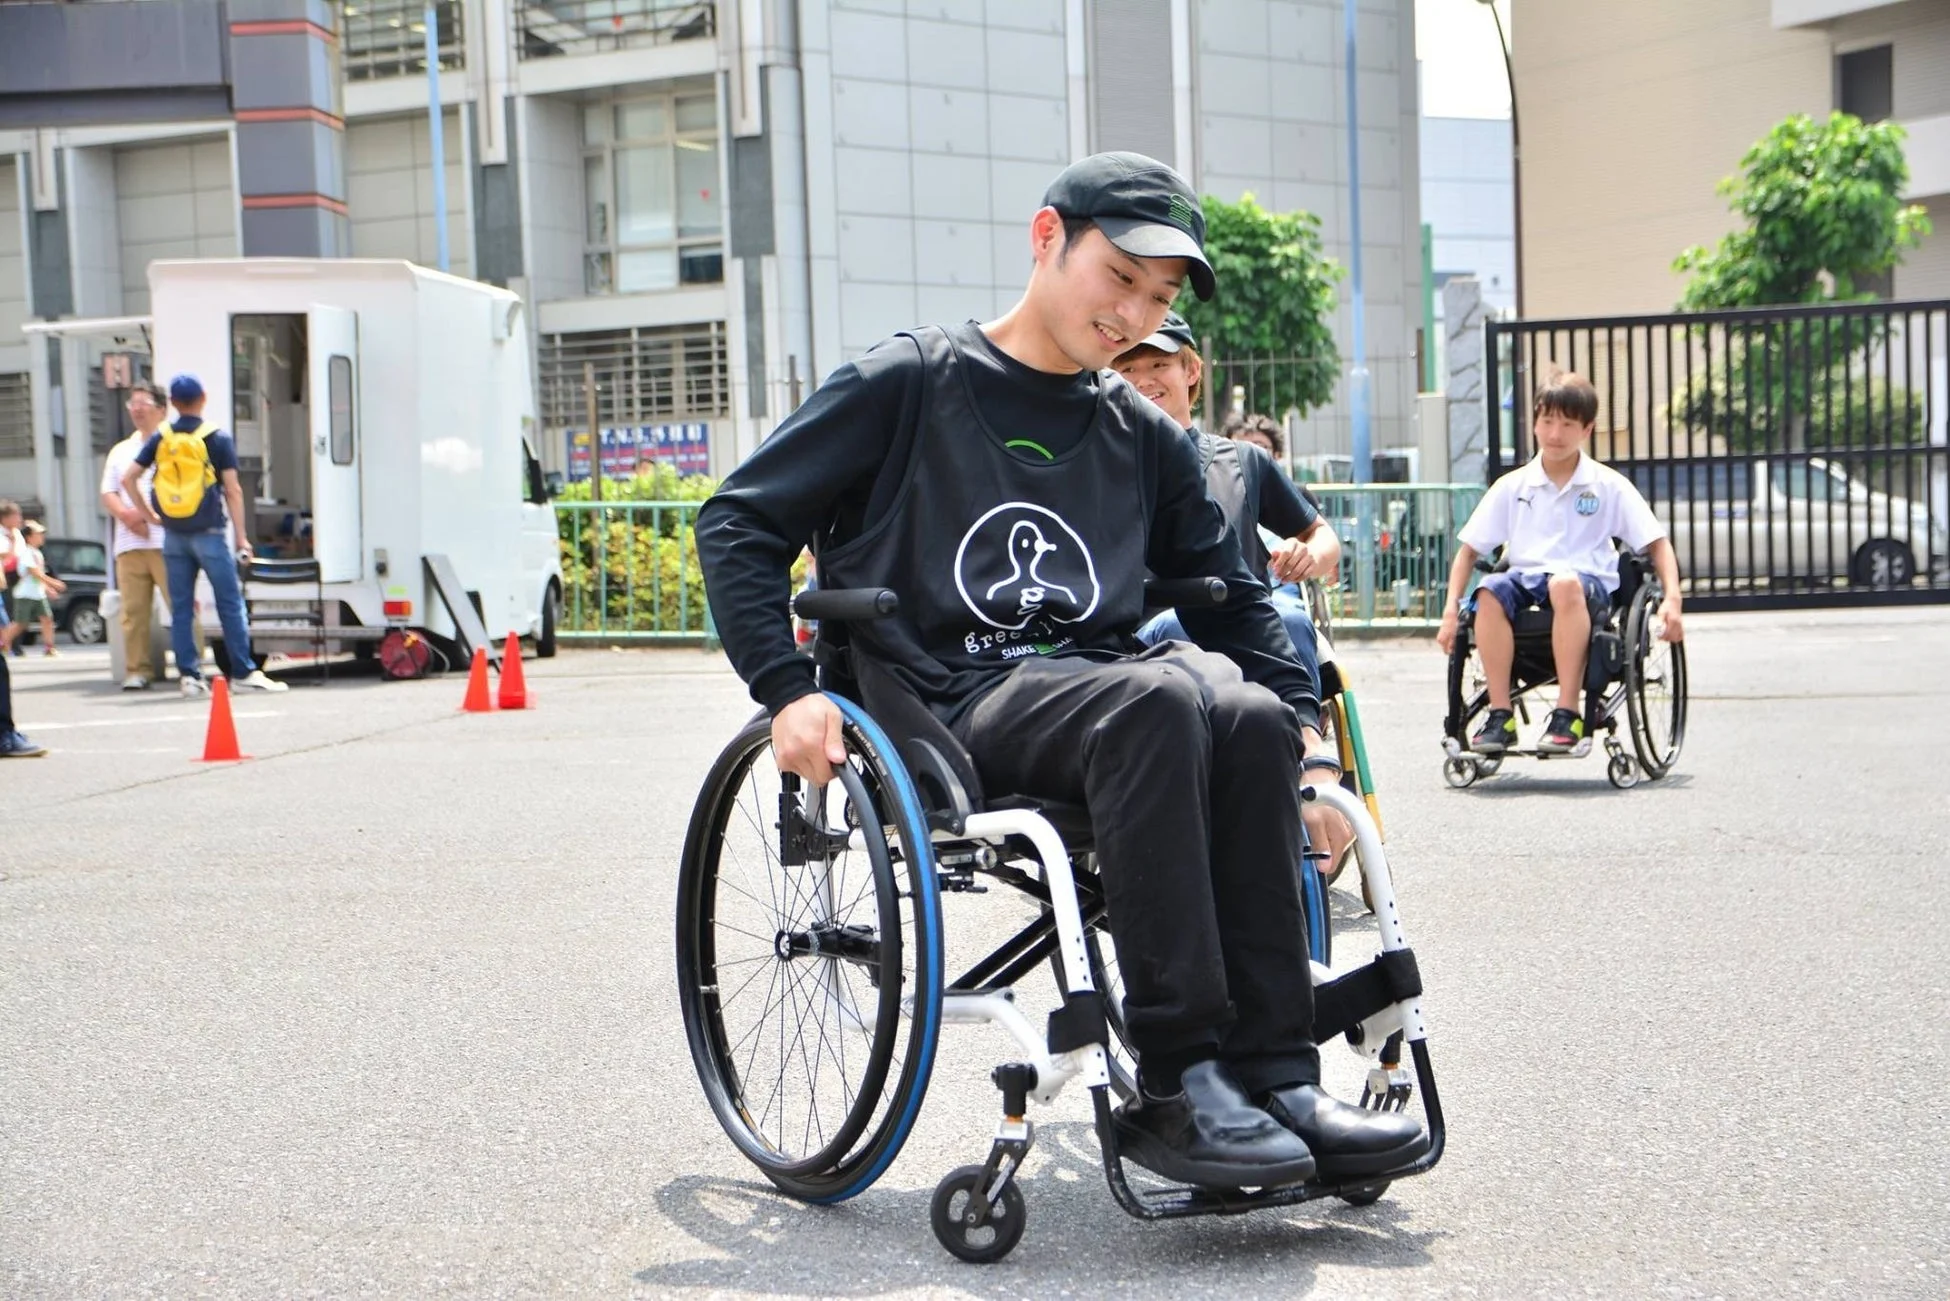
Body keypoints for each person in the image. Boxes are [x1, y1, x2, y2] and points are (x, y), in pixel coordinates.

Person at [697, 151, 1425, 1191]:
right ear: (1047, 239)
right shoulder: (909, 383)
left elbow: (1231, 595)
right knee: (1162, 694)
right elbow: (738, 520)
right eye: (1118, 277)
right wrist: (786, 688)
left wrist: (1307, 735)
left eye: (1159, 297)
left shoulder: (1135, 430)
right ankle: (1176, 1087)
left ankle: (1274, 1069)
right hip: (949, 700)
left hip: (1106, 692)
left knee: (1247, 710)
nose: (1133, 313)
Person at [1113, 315, 1352, 874]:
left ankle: (1308, 752)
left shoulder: (1242, 461)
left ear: (1191, 369)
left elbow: (1323, 536)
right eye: (1128, 367)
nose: (1144, 378)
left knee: (1289, 616)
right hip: (1152, 636)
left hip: (1251, 630)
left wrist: (1307, 557)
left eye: (1159, 363)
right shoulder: (1104, 462)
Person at [1436, 372, 1683, 752]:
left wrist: (1673, 600)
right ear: (1534, 421)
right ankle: (1501, 715)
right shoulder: (1512, 486)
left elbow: (1656, 543)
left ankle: (1568, 712)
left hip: (1586, 585)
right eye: (1547, 421)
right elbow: (1468, 550)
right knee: (1488, 591)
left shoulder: (1608, 485)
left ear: (1587, 428)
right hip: (1524, 578)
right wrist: (1451, 612)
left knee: (1564, 583)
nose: (1554, 434)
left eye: (1567, 424)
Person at [121, 374, 288, 697]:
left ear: (172, 403)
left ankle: (190, 677)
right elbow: (233, 490)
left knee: (182, 608)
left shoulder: (161, 437)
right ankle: (242, 672)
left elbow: (129, 479)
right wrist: (241, 536)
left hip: (173, 536)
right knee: (230, 603)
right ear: (203, 398)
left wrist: (150, 515)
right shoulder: (217, 437)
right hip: (209, 534)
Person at [102, 380, 201, 690]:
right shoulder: (121, 450)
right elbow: (108, 491)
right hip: (129, 544)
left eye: (143, 402)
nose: (137, 409)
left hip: (167, 540)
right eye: (133, 403)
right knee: (133, 612)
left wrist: (150, 517)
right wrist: (128, 515)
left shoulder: (175, 442)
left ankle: (192, 668)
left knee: (181, 605)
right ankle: (137, 670)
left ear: (162, 408)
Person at [4, 522, 65, 656]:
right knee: (20, 623)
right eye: (38, 534)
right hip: (25, 594)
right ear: (29, 537)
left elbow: (38, 577)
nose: (41, 537)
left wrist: (48, 589)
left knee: (47, 619)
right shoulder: (27, 553)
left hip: (37, 594)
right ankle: (3, 643)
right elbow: (35, 573)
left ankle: (49, 647)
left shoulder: (37, 553)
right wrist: (54, 583)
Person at [0, 500, 23, 659]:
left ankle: (14, 646)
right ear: (5, 518)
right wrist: (13, 543)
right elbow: (7, 556)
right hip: (6, 576)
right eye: (16, 515)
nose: (19, 519)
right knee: (8, 613)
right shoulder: (3, 535)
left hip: (21, 576)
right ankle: (9, 646)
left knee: (17, 614)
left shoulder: (17, 533)